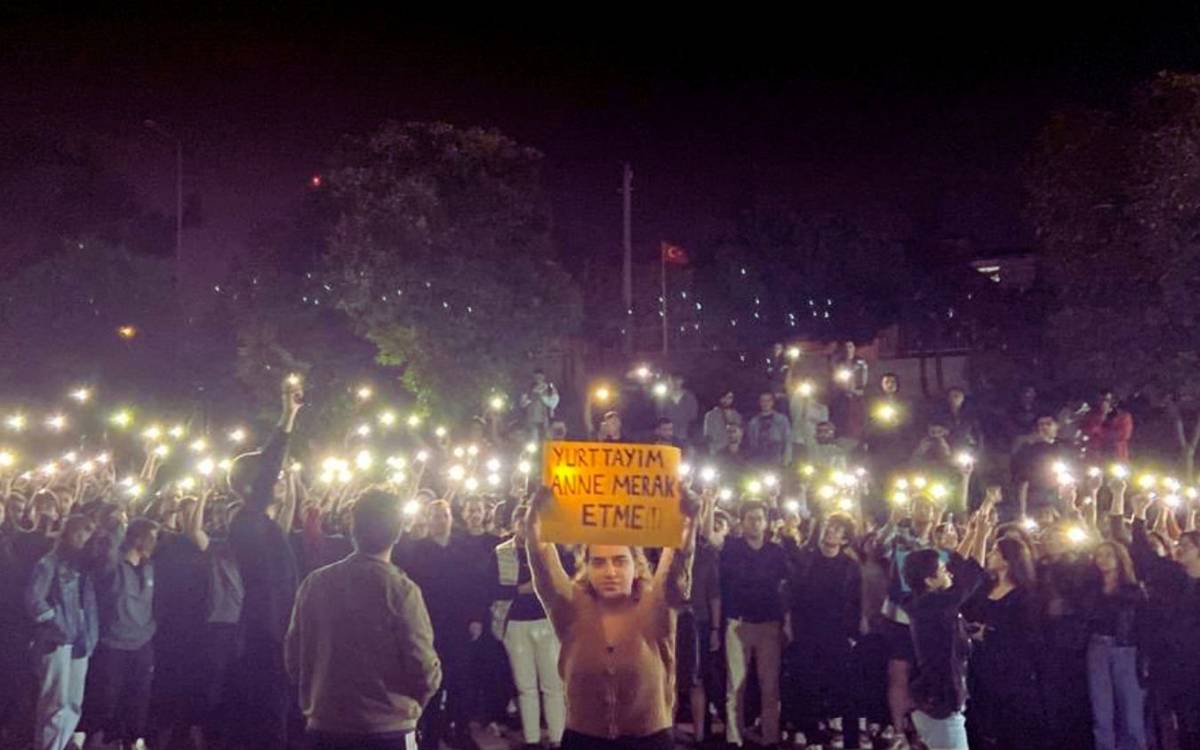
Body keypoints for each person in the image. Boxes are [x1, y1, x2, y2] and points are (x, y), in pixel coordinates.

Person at [525, 486, 696, 750]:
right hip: (584, 740)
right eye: (599, 562)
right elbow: (542, 561)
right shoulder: (570, 606)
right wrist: (535, 520)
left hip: (649, 741)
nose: (610, 571)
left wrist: (687, 524)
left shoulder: (656, 605)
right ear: (587, 567)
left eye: (620, 561)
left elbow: (677, 565)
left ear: (636, 566)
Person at [285, 489, 442, 750]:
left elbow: (293, 656)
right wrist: (412, 704)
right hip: (386, 727)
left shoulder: (315, 583)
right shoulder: (400, 589)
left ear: (352, 527)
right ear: (398, 531)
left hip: (325, 724)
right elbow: (423, 665)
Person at [226, 376, 304, 750]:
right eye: (268, 476)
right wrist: (287, 418)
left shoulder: (265, 524)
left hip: (279, 631)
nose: (277, 478)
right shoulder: (246, 521)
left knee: (283, 716)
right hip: (265, 634)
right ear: (249, 487)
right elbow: (271, 464)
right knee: (268, 720)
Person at [902, 498, 994, 750]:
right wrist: (982, 536)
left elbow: (957, 565)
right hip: (940, 706)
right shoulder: (934, 606)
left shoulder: (926, 602)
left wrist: (973, 533)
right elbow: (971, 574)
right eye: (942, 571)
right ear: (930, 581)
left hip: (938, 702)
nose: (949, 573)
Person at [492, 503, 571, 750]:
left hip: (547, 623)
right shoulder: (500, 552)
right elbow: (489, 588)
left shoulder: (551, 549)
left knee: (553, 685)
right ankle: (532, 739)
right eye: (521, 522)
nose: (526, 528)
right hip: (514, 624)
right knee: (525, 686)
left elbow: (565, 583)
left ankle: (557, 739)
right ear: (515, 524)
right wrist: (519, 590)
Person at [784, 513, 863, 749]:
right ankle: (812, 738)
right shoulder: (808, 559)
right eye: (829, 526)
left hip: (837, 633)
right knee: (806, 684)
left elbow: (855, 602)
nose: (830, 531)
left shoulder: (850, 566)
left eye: (837, 529)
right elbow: (792, 593)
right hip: (807, 630)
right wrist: (790, 626)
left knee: (845, 688)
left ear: (845, 539)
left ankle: (851, 741)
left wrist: (852, 635)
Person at [83, 517, 160, 750]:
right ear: (138, 538)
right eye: (152, 537)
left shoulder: (149, 567)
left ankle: (132, 738)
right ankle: (99, 737)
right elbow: (106, 558)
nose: (156, 542)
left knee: (139, 695)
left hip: (142, 642)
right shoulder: (113, 568)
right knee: (107, 696)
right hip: (114, 643)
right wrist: (118, 527)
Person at [25, 514, 98, 750]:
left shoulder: (85, 566)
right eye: (79, 531)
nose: (83, 537)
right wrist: (56, 623)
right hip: (56, 641)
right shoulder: (49, 562)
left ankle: (62, 743)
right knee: (55, 703)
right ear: (66, 532)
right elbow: (34, 599)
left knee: (74, 701)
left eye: (88, 532)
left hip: (81, 640)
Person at [961, 537, 1042, 750]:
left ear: (1008, 559)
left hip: (1010, 669)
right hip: (981, 664)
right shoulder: (985, 587)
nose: (989, 555)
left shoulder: (1024, 594)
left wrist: (988, 634)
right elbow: (966, 608)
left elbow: (1026, 633)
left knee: (1008, 724)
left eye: (995, 552)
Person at [720, 501, 789, 748]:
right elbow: (710, 537)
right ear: (742, 521)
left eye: (759, 518)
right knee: (735, 684)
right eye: (750, 518)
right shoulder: (731, 548)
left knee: (769, 685)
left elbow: (786, 586)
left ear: (767, 522)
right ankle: (734, 738)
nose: (755, 523)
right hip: (737, 623)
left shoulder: (776, 551)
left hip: (769, 624)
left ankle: (770, 738)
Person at [1084, 541, 1148, 750]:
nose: (1103, 559)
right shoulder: (1091, 588)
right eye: (1099, 555)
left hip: (1125, 649)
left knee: (1131, 711)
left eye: (1109, 555)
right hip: (1097, 647)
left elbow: (1142, 624)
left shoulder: (1133, 589)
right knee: (1101, 710)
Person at [1010, 415, 1067, 521]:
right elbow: (1023, 480)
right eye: (1041, 424)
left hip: (1059, 497)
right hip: (1036, 497)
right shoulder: (1030, 450)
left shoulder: (1063, 448)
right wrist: (1022, 511)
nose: (1044, 427)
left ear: (1056, 426)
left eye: (1048, 424)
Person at [1080, 390, 1134, 462]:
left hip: (1116, 456)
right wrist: (1102, 417)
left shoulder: (1124, 416)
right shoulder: (1092, 415)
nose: (1103, 403)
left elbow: (1123, 434)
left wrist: (1100, 431)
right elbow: (1087, 430)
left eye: (1106, 400)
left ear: (1113, 402)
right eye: (1101, 400)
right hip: (1096, 456)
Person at [746, 392, 792, 467]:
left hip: (776, 457)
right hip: (759, 459)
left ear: (773, 402)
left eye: (768, 400)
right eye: (763, 401)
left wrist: (786, 459)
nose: (765, 403)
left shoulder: (782, 420)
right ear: (759, 402)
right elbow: (751, 441)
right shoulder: (753, 421)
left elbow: (787, 439)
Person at [656, 374, 700, 445]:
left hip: (685, 436)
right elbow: (660, 416)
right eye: (672, 380)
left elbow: (693, 416)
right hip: (667, 438)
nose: (675, 382)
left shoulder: (689, 397)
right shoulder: (662, 398)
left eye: (678, 380)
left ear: (682, 381)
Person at [520, 369, 560, 442]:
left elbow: (555, 399)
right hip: (532, 417)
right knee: (533, 439)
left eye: (540, 376)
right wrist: (528, 401)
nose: (538, 378)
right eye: (536, 377)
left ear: (544, 377)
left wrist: (545, 399)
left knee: (546, 437)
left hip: (545, 418)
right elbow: (523, 403)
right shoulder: (529, 388)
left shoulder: (549, 387)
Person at [702, 391, 743, 456]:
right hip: (717, 451)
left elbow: (739, 433)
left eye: (730, 398)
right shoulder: (711, 415)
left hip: (733, 452)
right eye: (725, 397)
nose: (727, 400)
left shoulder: (736, 415)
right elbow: (708, 435)